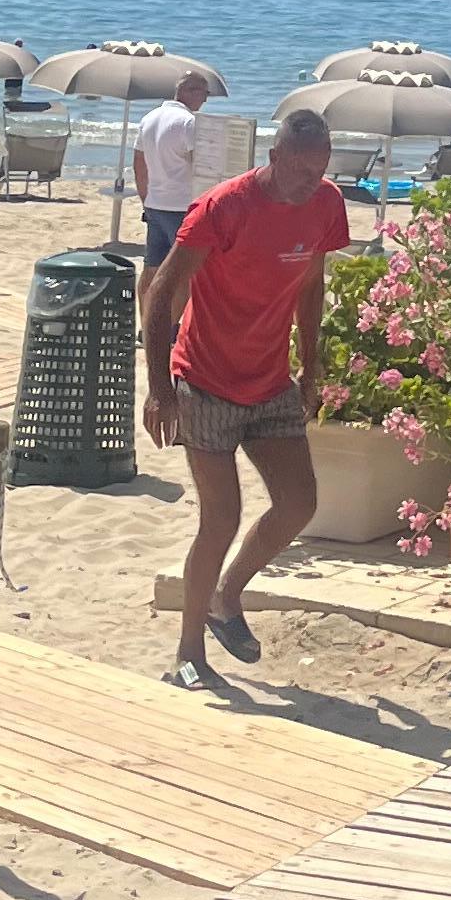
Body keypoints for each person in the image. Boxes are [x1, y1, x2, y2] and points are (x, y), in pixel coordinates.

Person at [139, 100, 345, 693]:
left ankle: (226, 596)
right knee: (220, 517)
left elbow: (312, 283)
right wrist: (159, 389)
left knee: (298, 503)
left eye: (321, 169)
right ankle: (187, 651)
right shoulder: (224, 207)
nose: (312, 182)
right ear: (274, 157)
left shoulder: (327, 204)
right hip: (203, 381)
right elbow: (161, 291)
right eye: (301, 169)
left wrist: (311, 364)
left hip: (269, 379)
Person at [132, 67, 217, 269]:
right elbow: (203, 166)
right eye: (204, 94)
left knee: (152, 266)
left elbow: (139, 164)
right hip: (181, 205)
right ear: (189, 91)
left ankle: (146, 302)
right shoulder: (189, 122)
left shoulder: (149, 118)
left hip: (155, 203)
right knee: (182, 270)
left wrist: (146, 199)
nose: (205, 101)